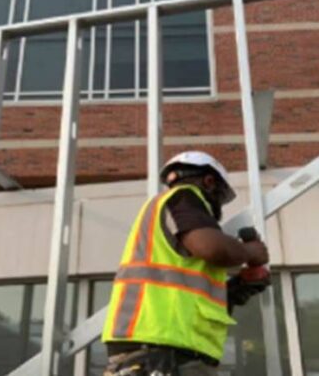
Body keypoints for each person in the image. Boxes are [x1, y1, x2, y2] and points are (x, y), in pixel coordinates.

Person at [102, 151, 269, 376]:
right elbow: (214, 249)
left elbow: (188, 295)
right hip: (159, 350)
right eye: (219, 197)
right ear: (209, 182)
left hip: (163, 350)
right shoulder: (184, 197)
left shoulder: (171, 217)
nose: (217, 208)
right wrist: (251, 251)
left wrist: (238, 286)